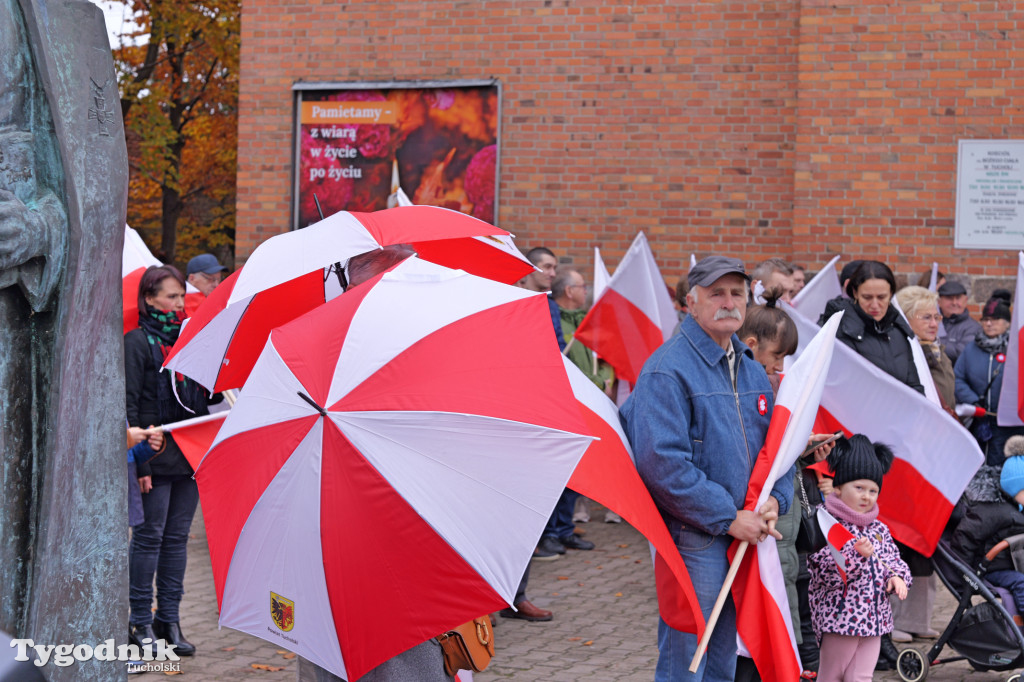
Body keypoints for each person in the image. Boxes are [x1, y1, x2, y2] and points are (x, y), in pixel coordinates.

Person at [621, 255, 792, 682]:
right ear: (691, 303)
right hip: (693, 539)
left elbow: (777, 447)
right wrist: (727, 516)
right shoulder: (667, 370)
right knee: (687, 657)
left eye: (736, 293)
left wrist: (776, 498)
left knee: (721, 660)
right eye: (717, 293)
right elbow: (661, 465)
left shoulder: (751, 369)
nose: (729, 302)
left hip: (742, 534)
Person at [126, 265, 216, 657]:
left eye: (181, 296)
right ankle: (139, 621)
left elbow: (203, 394)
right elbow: (127, 404)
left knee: (177, 539)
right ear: (150, 299)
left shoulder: (189, 338)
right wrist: (139, 463)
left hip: (189, 452)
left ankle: (170, 620)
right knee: (150, 538)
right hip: (154, 452)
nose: (179, 304)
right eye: (170, 296)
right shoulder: (136, 342)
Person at [807, 435, 911, 682]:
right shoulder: (827, 523)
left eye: (873, 490)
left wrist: (898, 577)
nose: (867, 496)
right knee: (832, 675)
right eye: (859, 488)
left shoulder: (879, 529)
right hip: (840, 621)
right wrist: (857, 556)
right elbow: (825, 573)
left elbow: (893, 560)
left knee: (862, 677)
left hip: (875, 622)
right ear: (839, 487)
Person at [820, 261, 924, 394]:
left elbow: (915, 387)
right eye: (867, 297)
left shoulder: (898, 330)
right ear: (855, 293)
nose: (875, 305)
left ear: (891, 294)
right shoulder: (839, 330)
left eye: (881, 297)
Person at [952, 435, 1024, 617]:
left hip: (1014, 564)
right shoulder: (991, 510)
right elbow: (964, 537)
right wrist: (966, 575)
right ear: (1014, 488)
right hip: (991, 569)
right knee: (1021, 583)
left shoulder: (1018, 507)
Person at [954, 289, 1024, 466]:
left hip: (1012, 424)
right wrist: (973, 400)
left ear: (1007, 323)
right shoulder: (971, 349)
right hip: (982, 420)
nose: (989, 324)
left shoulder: (1017, 349)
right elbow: (958, 378)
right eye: (985, 319)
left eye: (995, 320)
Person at [895, 286, 955, 412]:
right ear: (905, 319)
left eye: (936, 317)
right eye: (926, 317)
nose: (934, 324)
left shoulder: (939, 351)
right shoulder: (900, 354)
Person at [938, 280, 981, 364]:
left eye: (958, 298)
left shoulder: (973, 327)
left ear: (965, 300)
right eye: (949, 298)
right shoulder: (933, 322)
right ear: (939, 302)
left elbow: (960, 353)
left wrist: (933, 341)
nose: (954, 303)